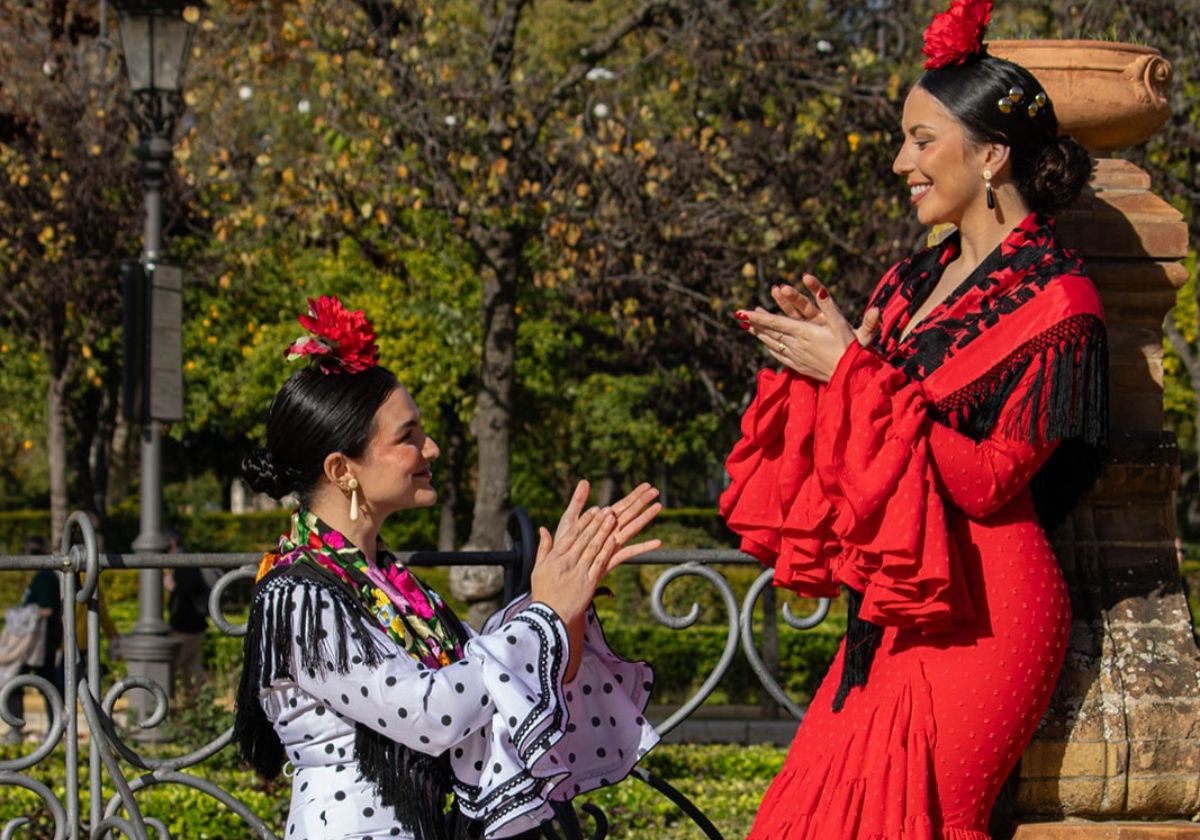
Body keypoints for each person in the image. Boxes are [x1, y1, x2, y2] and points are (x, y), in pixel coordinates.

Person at [721, 1, 1107, 838]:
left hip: (987, 608)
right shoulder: (907, 284)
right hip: (892, 600)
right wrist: (819, 374)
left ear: (992, 154)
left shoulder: (1060, 299)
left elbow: (991, 480)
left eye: (921, 140)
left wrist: (851, 375)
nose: (902, 162)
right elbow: (870, 448)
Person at [234, 295, 662, 840]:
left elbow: (491, 685)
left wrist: (564, 602)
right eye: (407, 436)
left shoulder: (388, 584)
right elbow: (432, 713)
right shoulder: (298, 594)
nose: (430, 448)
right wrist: (545, 616)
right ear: (342, 470)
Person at [2, 536, 64, 745]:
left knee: (20, 683)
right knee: (45, 684)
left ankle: (20, 730)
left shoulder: (45, 577)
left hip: (38, 644)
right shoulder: (46, 576)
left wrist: (23, 614)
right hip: (40, 642)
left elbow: (47, 610)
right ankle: (55, 728)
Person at [163, 529, 217, 700]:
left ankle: (172, 702)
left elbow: (191, 588)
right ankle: (197, 702)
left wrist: (174, 587)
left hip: (186, 626)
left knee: (171, 666)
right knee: (191, 667)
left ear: (172, 542)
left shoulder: (184, 562)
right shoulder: (184, 560)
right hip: (194, 625)